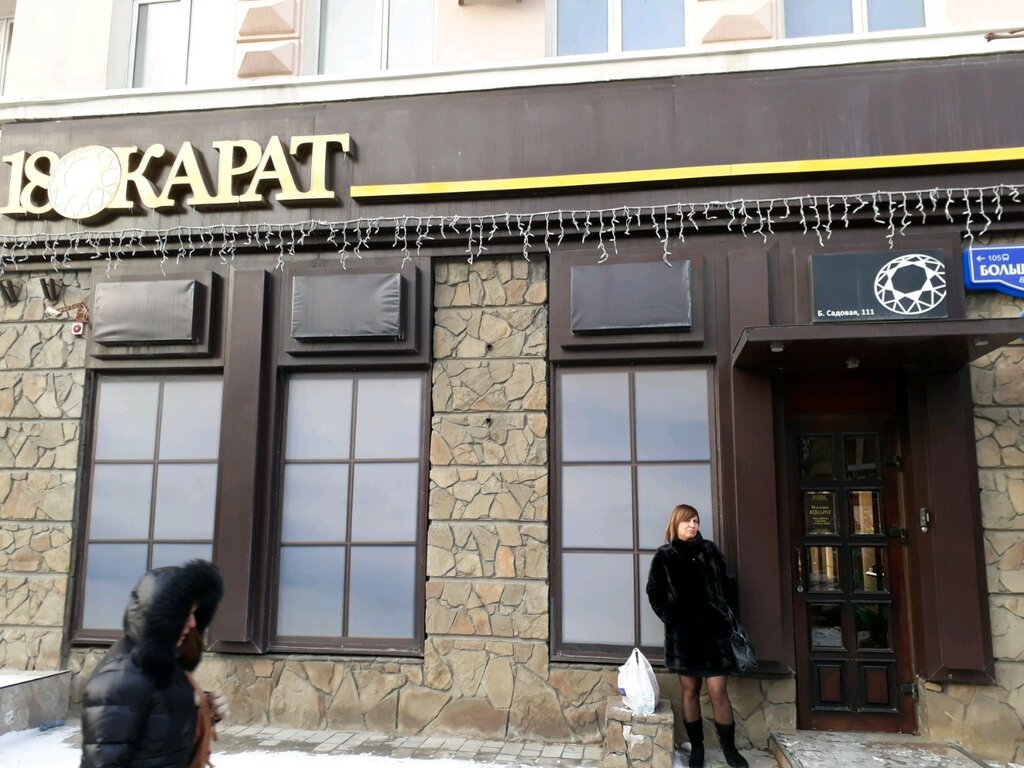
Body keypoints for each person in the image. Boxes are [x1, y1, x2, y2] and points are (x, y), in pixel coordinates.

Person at [80, 559, 226, 768]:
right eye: (185, 614)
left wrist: (202, 709)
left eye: (195, 613)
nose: (193, 623)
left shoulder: (164, 668)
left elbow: (159, 742)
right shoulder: (120, 678)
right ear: (161, 617)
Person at [646, 504, 749, 768]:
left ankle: (730, 750)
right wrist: (671, 616)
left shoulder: (710, 550)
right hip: (684, 638)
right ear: (676, 524)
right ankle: (698, 749)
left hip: (715, 636)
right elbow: (654, 592)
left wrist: (727, 616)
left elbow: (730, 584)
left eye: (695, 521)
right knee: (690, 690)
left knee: (718, 691)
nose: (693, 525)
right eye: (687, 521)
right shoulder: (664, 556)